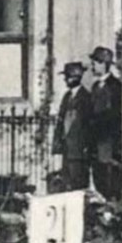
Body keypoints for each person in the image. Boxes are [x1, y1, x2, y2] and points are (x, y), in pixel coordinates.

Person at [86, 46, 122, 198]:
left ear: (104, 63)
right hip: (95, 141)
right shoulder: (95, 86)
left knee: (109, 179)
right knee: (98, 177)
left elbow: (114, 115)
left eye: (95, 62)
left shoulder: (115, 86)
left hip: (108, 141)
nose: (92, 66)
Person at [53, 62, 91, 191]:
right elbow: (61, 120)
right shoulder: (67, 96)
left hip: (79, 150)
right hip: (67, 149)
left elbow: (87, 125)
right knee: (67, 182)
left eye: (67, 77)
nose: (65, 80)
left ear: (76, 77)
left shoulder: (85, 97)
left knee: (78, 184)